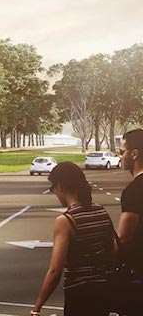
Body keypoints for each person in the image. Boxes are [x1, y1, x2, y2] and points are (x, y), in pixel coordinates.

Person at [31, 161, 117, 316]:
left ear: (60, 186)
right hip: (104, 290)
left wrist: (37, 307)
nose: (55, 193)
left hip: (79, 293)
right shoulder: (101, 211)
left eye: (53, 188)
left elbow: (55, 271)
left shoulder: (66, 221)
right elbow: (115, 249)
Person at [116, 128, 143, 313]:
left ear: (134, 154)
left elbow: (123, 239)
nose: (120, 156)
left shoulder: (133, 191)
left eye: (122, 152)